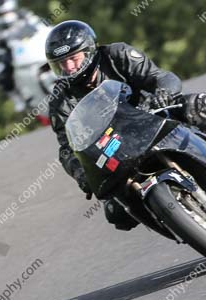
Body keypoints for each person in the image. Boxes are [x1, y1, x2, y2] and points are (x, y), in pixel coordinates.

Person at [46, 20, 206, 230]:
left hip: (154, 119)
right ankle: (177, 222)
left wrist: (163, 93)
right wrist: (81, 174)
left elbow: (160, 77)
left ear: (89, 50)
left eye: (73, 58)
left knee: (198, 106)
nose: (69, 67)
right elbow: (67, 147)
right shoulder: (60, 100)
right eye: (61, 63)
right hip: (114, 150)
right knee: (115, 212)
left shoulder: (117, 55)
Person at [0, 0, 48, 112]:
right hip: (10, 52)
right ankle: (16, 98)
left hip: (31, 46)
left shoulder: (22, 13)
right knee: (1, 71)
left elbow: (40, 25)